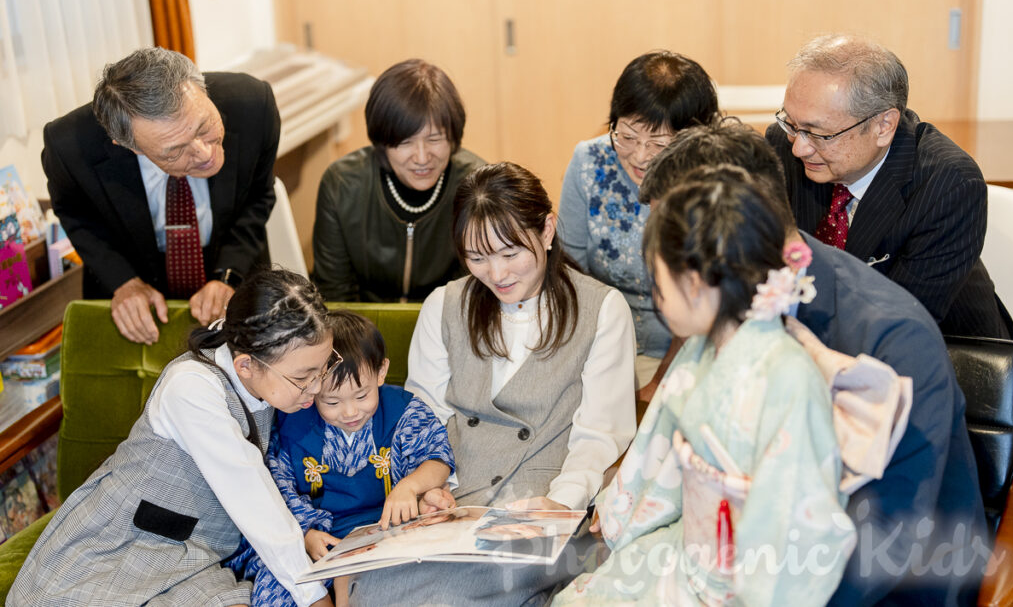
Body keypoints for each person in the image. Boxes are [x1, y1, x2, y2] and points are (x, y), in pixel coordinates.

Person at [639, 120, 988, 605]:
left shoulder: (890, 339)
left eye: (675, 249)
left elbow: (886, 537)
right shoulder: (726, 306)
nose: (665, 274)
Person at [557, 172, 856, 605]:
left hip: (744, 585)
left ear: (695, 283)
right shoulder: (703, 349)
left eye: (658, 284)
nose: (655, 298)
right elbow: (661, 459)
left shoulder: (788, 377)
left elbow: (795, 529)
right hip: (687, 556)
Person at [347, 162, 637, 606]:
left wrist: (560, 503)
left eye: (509, 253)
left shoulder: (602, 309)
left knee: (453, 597)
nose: (497, 274)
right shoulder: (444, 304)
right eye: (477, 258)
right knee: (373, 587)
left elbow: (600, 435)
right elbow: (425, 418)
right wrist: (435, 487)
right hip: (455, 505)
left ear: (546, 231)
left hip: (546, 509)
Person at [9, 268, 338, 607]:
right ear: (245, 365)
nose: (316, 387)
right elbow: (252, 495)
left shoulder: (268, 377)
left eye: (323, 367)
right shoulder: (191, 387)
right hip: (119, 546)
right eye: (304, 377)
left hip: (197, 553)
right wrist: (312, 595)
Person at [766, 34, 1012, 339]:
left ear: (884, 126)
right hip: (810, 339)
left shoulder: (948, 184)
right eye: (791, 124)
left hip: (944, 351)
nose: (799, 148)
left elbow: (904, 319)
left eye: (820, 134)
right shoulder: (782, 145)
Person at [42, 47, 280, 345]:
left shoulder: (254, 106)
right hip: (137, 281)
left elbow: (257, 196)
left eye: (204, 127)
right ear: (127, 145)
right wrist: (123, 282)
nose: (204, 153)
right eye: (175, 151)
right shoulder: (69, 146)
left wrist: (229, 276)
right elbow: (75, 214)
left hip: (233, 262)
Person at [227, 309, 455, 607]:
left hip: (385, 534)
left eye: (361, 396)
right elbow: (277, 488)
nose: (349, 413)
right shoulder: (291, 420)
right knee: (280, 588)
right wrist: (306, 535)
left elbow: (437, 457)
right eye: (331, 401)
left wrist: (410, 487)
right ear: (312, 383)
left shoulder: (404, 412)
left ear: (381, 372)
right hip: (314, 542)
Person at [558, 50, 719, 389]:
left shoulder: (717, 180)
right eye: (627, 136)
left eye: (659, 143)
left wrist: (657, 384)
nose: (641, 156)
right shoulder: (590, 161)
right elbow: (570, 273)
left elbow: (713, 301)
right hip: (606, 347)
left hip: (699, 350)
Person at [311, 59, 486, 302]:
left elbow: (473, 292)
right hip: (363, 330)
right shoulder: (342, 186)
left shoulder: (477, 187)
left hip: (444, 325)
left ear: (454, 137)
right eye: (405, 142)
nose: (423, 158)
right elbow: (336, 296)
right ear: (382, 141)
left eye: (435, 139)